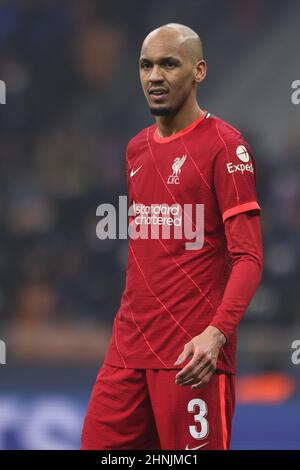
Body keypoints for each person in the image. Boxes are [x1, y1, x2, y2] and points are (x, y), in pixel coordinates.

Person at [81, 23, 263, 450]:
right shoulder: (136, 149)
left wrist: (215, 335)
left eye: (168, 64)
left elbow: (249, 258)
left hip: (191, 356)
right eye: (146, 65)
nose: (154, 76)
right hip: (128, 353)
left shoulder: (226, 147)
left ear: (199, 71)